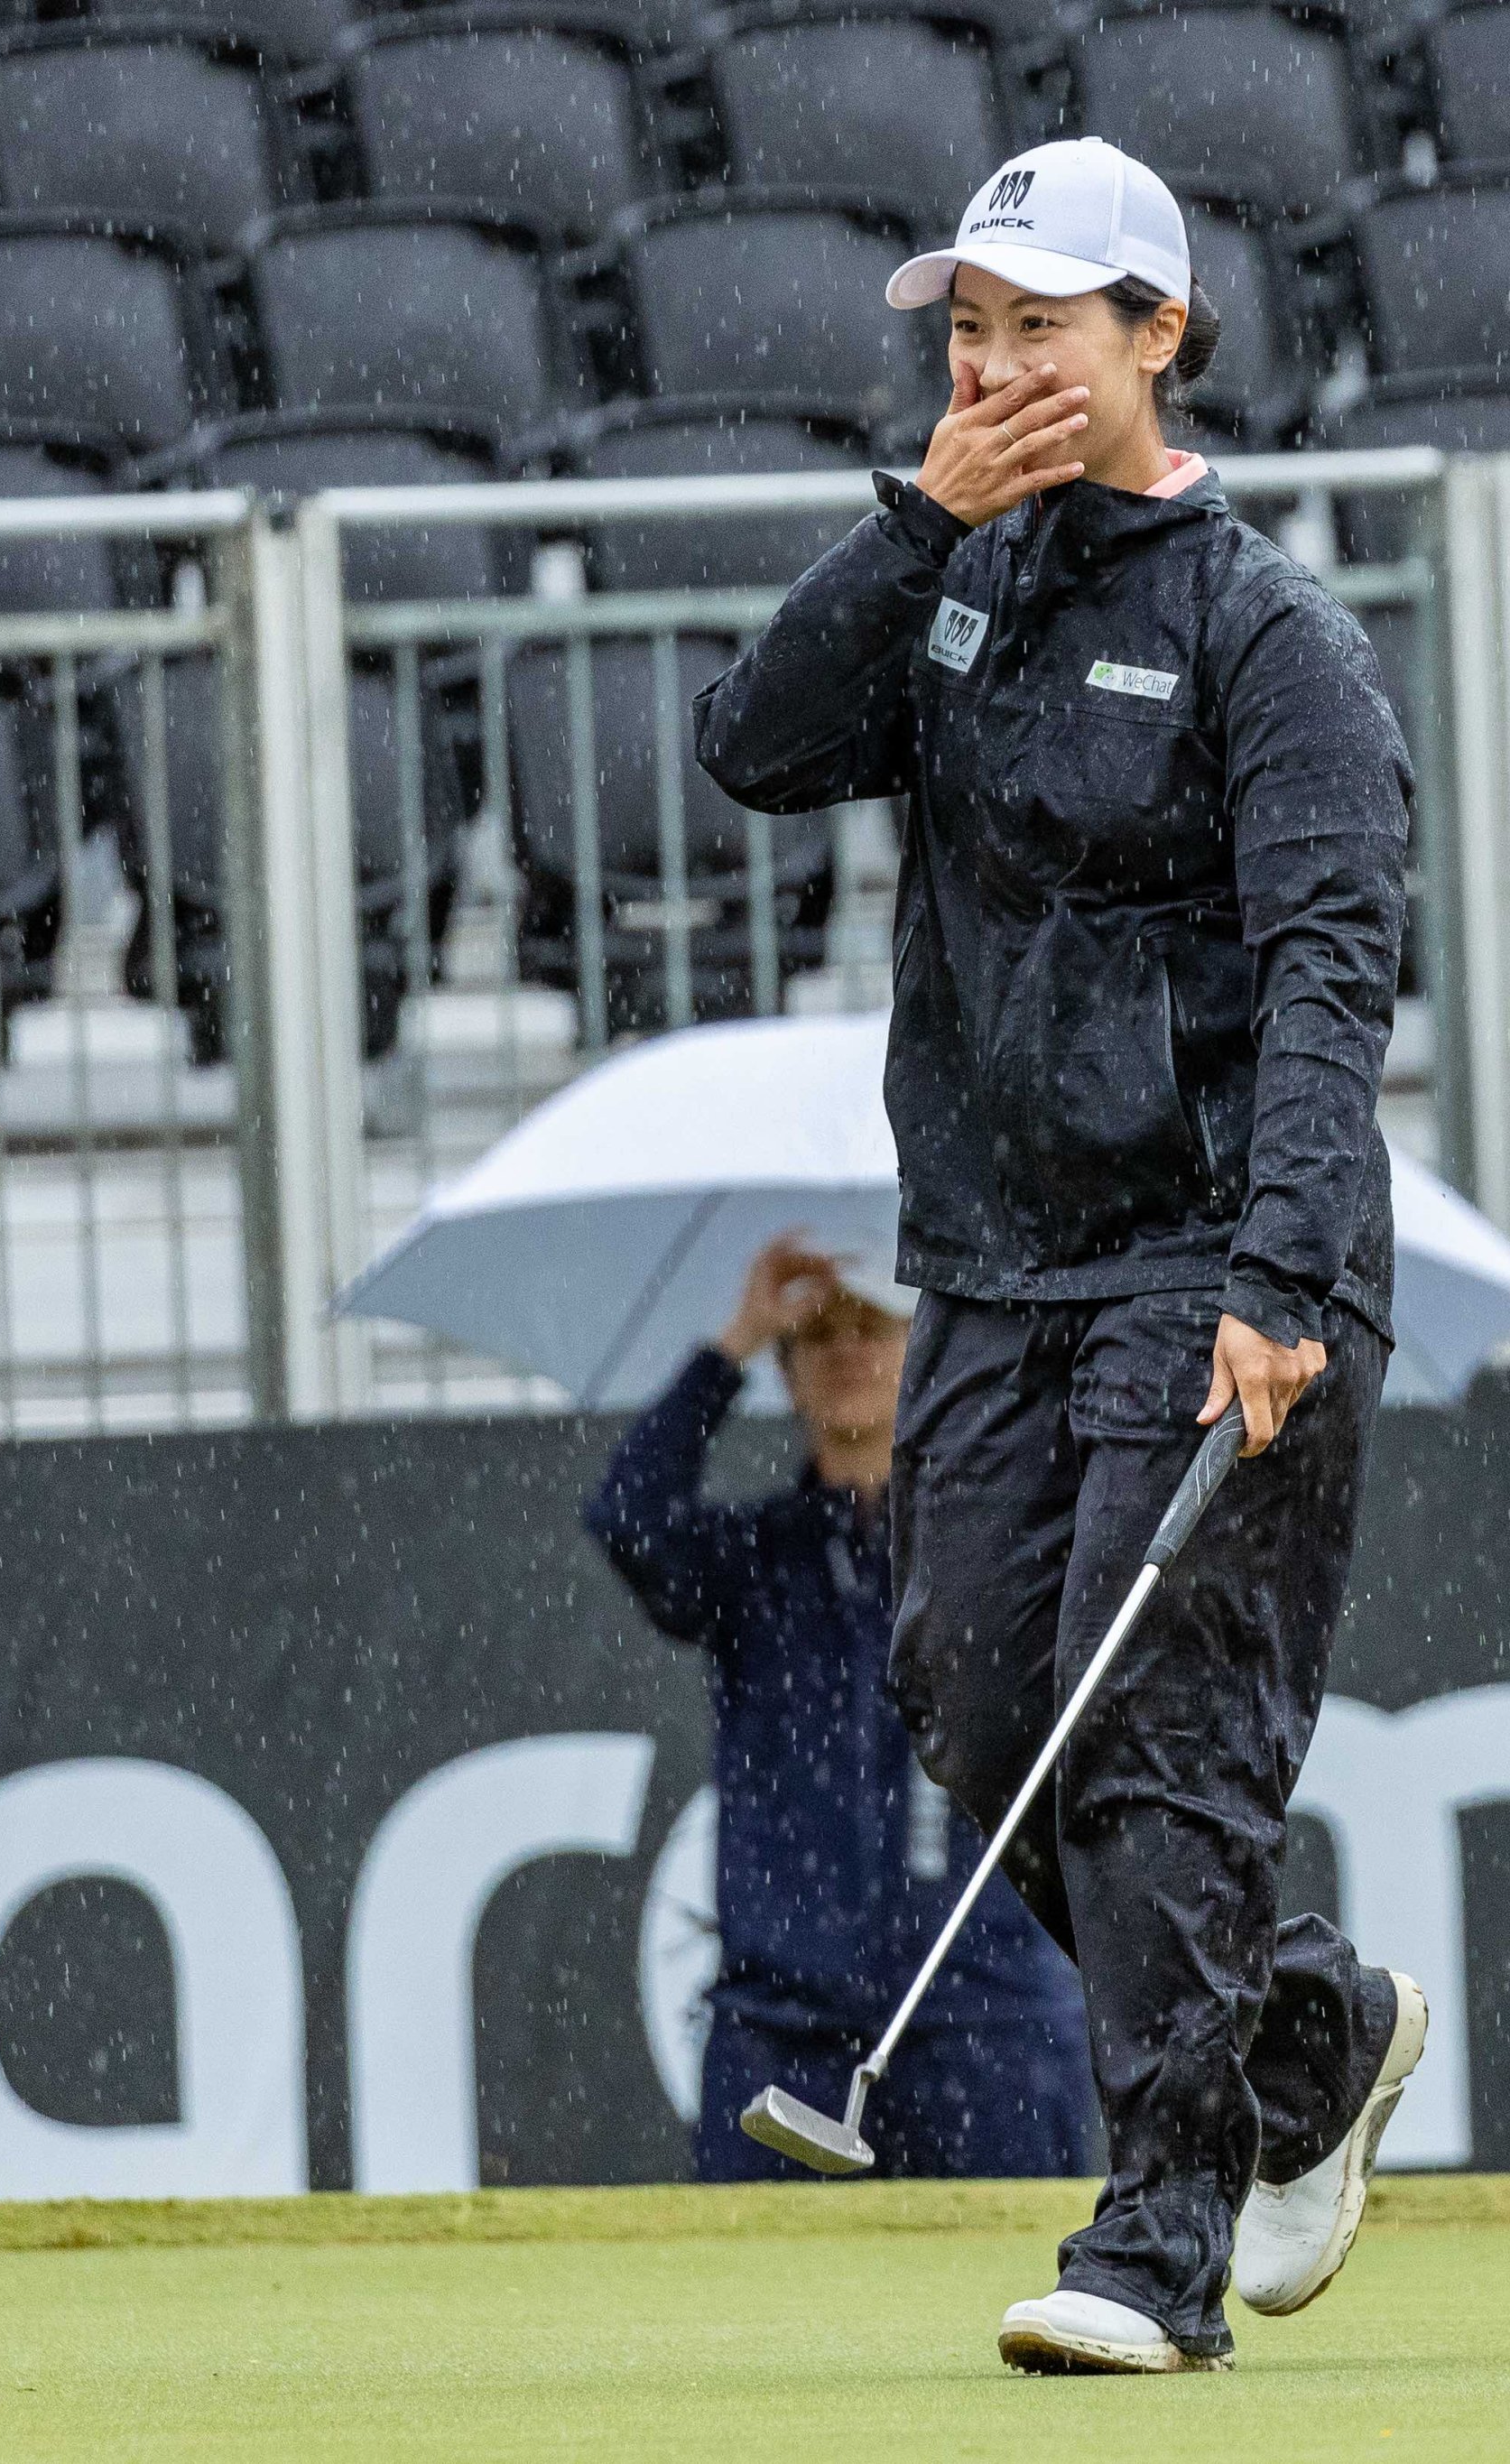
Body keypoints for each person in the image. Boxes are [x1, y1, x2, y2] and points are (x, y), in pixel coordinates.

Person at [694, 134, 1426, 2375]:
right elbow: (753, 744)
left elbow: (1330, 967)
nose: (996, 363)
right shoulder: (960, 587)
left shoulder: (1264, 630)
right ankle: (1304, 2029)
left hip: (1216, 1263)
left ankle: (1158, 2242)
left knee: (1149, 1724)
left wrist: (1284, 1278)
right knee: (980, 1702)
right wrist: (924, 514)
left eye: (1040, 327)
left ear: (1157, 341)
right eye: (970, 330)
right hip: (994, 1272)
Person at [584, 1234, 1096, 2184]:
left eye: (873, 1328)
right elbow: (627, 1518)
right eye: (816, 1336)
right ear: (786, 1371)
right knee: (752, 2321)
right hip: (784, 2030)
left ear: (921, 1353)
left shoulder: (993, 1544)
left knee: (1031, 2310)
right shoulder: (756, 1558)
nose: (847, 1353)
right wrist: (732, 1341)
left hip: (988, 2020)